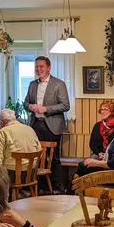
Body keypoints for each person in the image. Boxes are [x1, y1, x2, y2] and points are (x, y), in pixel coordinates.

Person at [24, 56, 70, 193]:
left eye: (41, 67)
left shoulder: (59, 84)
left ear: (48, 68)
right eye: (37, 67)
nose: (39, 69)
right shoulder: (32, 84)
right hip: (35, 125)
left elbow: (65, 105)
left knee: (53, 158)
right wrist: (30, 106)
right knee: (36, 157)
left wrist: (46, 109)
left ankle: (57, 189)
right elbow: (25, 103)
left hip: (52, 125)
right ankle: (39, 187)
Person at [76, 105, 114, 176]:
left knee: (83, 165)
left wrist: (95, 162)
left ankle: (79, 187)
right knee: (87, 163)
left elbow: (113, 164)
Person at [0, 109, 42, 186]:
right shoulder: (30, 129)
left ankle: (4, 196)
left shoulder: (3, 132)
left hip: (12, 175)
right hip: (32, 173)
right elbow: (40, 151)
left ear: (2, 123)